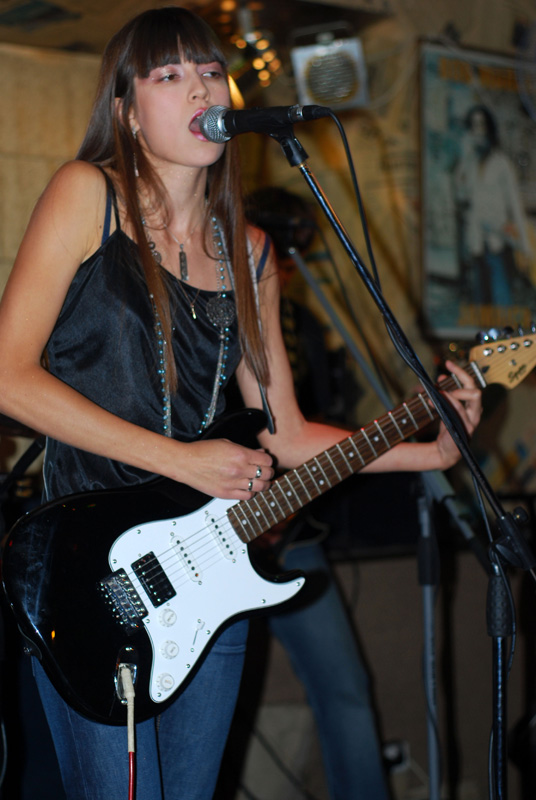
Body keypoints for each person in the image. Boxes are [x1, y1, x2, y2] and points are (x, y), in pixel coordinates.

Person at [0, 6, 482, 800]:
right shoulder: (88, 195)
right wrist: (182, 461)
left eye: (210, 71)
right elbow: (10, 376)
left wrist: (427, 452)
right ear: (126, 111)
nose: (201, 88)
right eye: (169, 75)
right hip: (87, 572)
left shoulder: (251, 252)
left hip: (209, 575)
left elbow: (285, 434)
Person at [454, 104, 532, 307]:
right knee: (480, 302)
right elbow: (461, 194)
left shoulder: (501, 164)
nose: (477, 131)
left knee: (501, 299)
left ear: (489, 128)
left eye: (481, 125)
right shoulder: (469, 164)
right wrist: (465, 158)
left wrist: (525, 246)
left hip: (498, 242)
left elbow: (515, 205)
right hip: (476, 242)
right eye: (473, 126)